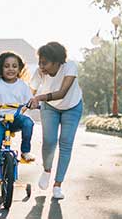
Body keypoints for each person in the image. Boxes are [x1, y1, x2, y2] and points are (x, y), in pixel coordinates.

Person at [28, 42, 83, 199]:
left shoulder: (69, 67)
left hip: (72, 106)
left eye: (45, 63)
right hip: (50, 108)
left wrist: (39, 97)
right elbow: (28, 93)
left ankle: (58, 185)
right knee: (49, 141)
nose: (41, 66)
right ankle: (47, 170)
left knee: (65, 143)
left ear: (57, 61)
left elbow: (62, 93)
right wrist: (20, 109)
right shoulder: (40, 72)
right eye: (40, 62)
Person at [0, 52, 35, 192]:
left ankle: (25, 151)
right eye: (7, 66)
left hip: (14, 118)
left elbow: (29, 101)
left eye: (14, 66)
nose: (11, 69)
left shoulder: (22, 85)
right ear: (0, 68)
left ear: (19, 69)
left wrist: (32, 104)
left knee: (28, 123)